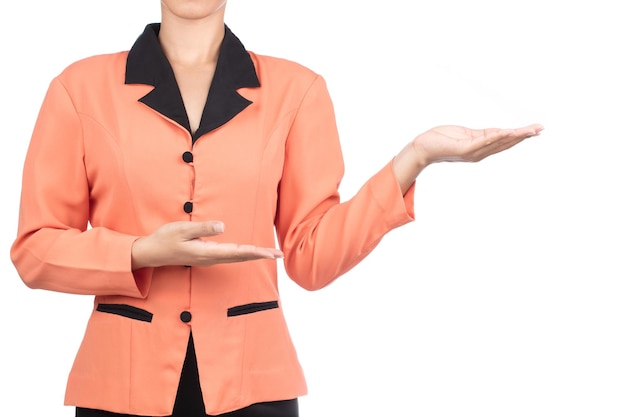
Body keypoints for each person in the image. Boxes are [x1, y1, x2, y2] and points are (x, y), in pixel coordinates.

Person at [9, 1, 543, 416]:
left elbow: (311, 259)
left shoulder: (297, 90)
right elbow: (35, 251)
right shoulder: (79, 89)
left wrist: (414, 159)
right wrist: (143, 251)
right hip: (119, 389)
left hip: (254, 385)